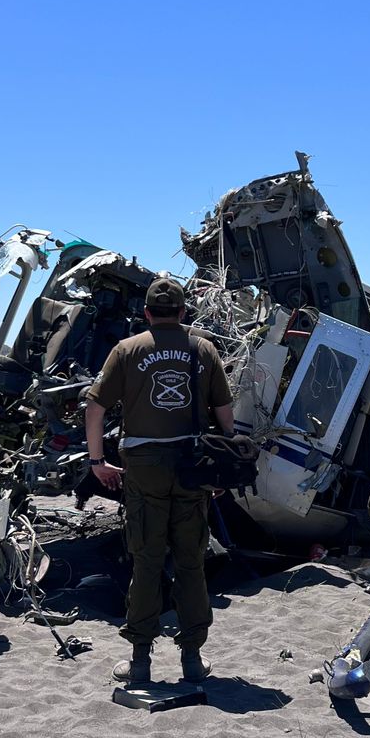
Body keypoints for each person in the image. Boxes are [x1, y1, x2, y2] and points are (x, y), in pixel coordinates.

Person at [84, 277, 234, 688]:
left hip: (145, 467)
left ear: (146, 313)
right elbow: (225, 414)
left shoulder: (128, 350)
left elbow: (95, 407)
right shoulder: (204, 349)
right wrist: (220, 466)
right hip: (190, 466)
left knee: (147, 561)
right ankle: (191, 659)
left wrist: (97, 460)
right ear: (183, 312)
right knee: (191, 562)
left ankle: (140, 662)